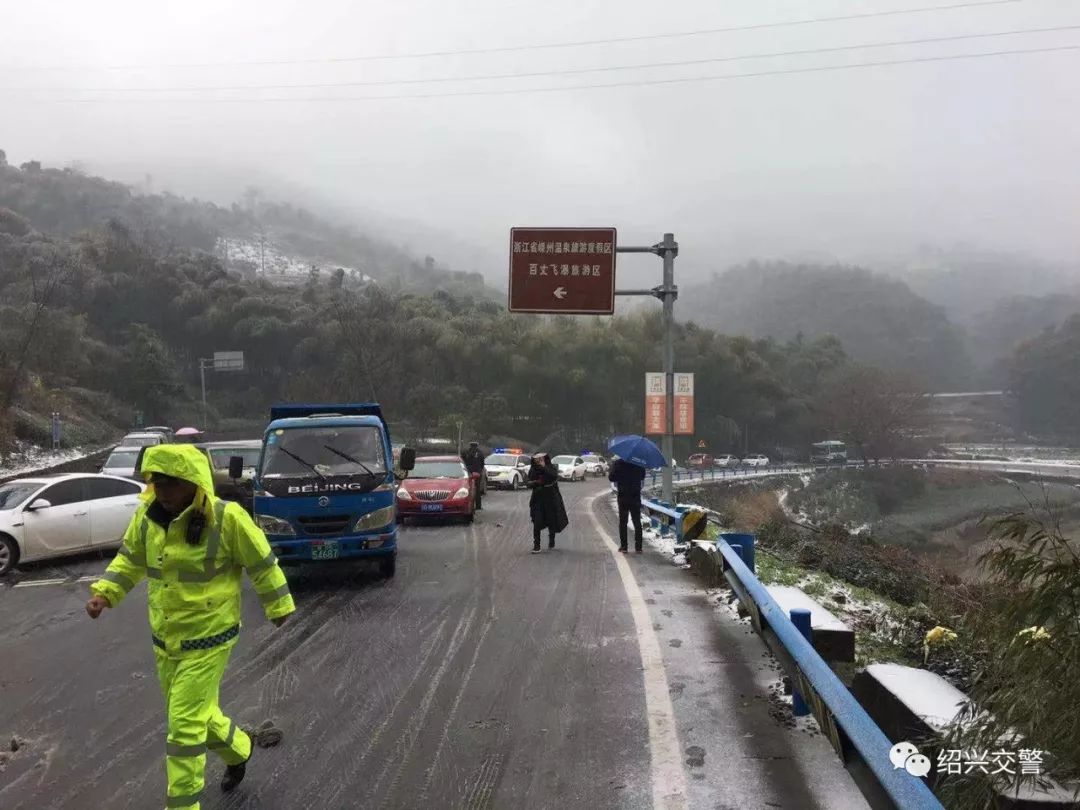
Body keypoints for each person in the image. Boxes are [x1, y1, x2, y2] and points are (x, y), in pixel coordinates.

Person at [85, 444, 295, 809]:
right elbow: (129, 559)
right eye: (157, 484)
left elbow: (263, 563)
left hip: (210, 636)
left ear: (194, 484)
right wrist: (105, 592)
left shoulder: (226, 518)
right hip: (166, 637)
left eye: (170, 485)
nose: (162, 493)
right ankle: (239, 749)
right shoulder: (147, 518)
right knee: (196, 714)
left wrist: (278, 605)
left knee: (183, 727)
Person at [526, 452, 568, 553]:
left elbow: (553, 476)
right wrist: (536, 483)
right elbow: (529, 482)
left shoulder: (550, 467)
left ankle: (551, 539)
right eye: (537, 459)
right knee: (537, 521)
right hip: (538, 499)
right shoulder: (533, 469)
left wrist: (544, 467)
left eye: (541, 459)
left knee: (551, 520)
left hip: (551, 498)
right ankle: (537, 545)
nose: (539, 461)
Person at [609, 456, 647, 554]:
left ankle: (624, 547)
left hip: (623, 496)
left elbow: (611, 477)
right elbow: (643, 476)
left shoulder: (618, 463)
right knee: (637, 522)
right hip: (635, 496)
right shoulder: (638, 463)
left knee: (623, 522)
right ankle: (638, 547)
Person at [461, 441, 486, 511]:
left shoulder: (465, 452)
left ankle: (468, 506)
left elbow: (462, 462)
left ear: (470, 445)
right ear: (477, 446)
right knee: (477, 490)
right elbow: (482, 464)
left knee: (467, 489)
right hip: (477, 474)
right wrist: (479, 471)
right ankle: (478, 506)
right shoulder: (480, 453)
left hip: (468, 473)